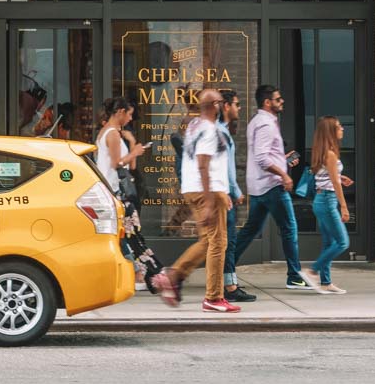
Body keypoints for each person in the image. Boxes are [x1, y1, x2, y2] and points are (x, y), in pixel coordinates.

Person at [152, 89, 238, 313]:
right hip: (205, 191)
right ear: (215, 105)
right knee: (218, 244)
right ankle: (214, 297)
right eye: (219, 102)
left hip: (194, 189)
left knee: (207, 242)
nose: (222, 106)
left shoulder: (193, 126)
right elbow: (203, 163)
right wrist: (211, 199)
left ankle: (173, 276)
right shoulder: (209, 129)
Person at [228, 84, 308, 291]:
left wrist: (283, 159)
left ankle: (226, 268)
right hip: (272, 186)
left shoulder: (259, 121)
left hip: (259, 186)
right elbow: (262, 158)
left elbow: (264, 155)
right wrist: (283, 175)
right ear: (267, 102)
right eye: (278, 99)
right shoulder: (266, 124)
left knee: (250, 230)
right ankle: (295, 276)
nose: (281, 102)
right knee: (289, 228)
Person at [95, 97, 161, 291]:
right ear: (121, 112)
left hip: (112, 191)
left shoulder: (108, 132)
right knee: (131, 236)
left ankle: (139, 273)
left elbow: (128, 166)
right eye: (130, 114)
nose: (130, 119)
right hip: (116, 193)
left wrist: (132, 144)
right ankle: (142, 274)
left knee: (126, 236)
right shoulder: (113, 134)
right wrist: (135, 152)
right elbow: (117, 163)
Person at [303, 116, 352, 293]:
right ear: (331, 131)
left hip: (322, 200)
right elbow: (334, 183)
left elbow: (329, 177)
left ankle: (326, 282)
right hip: (327, 201)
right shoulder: (330, 154)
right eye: (339, 127)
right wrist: (344, 207)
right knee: (342, 242)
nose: (342, 129)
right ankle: (312, 271)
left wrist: (341, 177)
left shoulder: (325, 152)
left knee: (329, 242)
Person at [218, 89, 255, 303]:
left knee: (222, 243)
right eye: (237, 104)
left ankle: (227, 284)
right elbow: (226, 168)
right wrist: (236, 191)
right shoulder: (221, 133)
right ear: (226, 106)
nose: (239, 108)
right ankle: (229, 287)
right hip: (224, 196)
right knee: (227, 242)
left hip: (222, 193)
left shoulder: (220, 131)